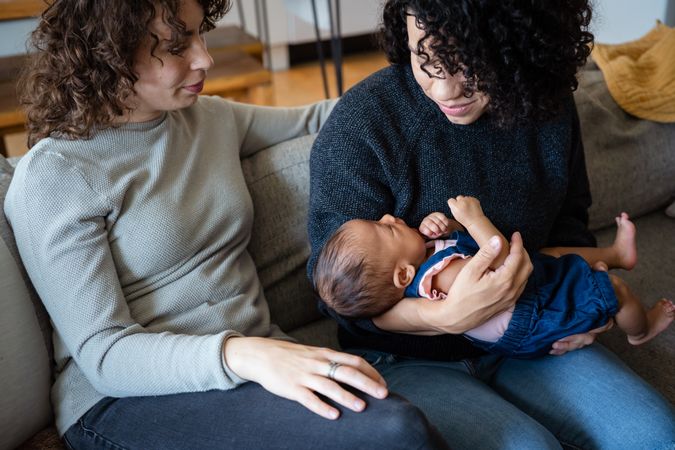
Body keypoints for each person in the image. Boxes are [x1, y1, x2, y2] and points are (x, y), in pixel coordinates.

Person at [3, 1, 448, 449]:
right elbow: (105, 353)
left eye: (200, 34)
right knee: (395, 432)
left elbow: (325, 118)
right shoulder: (56, 174)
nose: (204, 58)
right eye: (177, 46)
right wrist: (248, 355)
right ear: (108, 53)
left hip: (256, 363)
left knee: (400, 421)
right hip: (127, 399)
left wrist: (435, 76)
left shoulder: (207, 119)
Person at [307, 0, 675, 448]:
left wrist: (587, 310)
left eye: (468, 64)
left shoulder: (545, 105)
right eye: (424, 57)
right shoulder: (363, 127)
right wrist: (442, 316)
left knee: (655, 435)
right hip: (405, 357)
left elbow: (568, 222)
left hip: (534, 327)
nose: (443, 90)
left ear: (518, 47)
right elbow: (337, 295)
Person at [313, 195, 675, 357]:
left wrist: (446, 227)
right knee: (611, 291)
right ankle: (641, 329)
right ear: (404, 274)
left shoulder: (422, 264)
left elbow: (461, 249)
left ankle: (616, 254)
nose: (390, 218)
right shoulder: (442, 278)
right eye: (386, 230)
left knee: (551, 255)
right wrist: (473, 218)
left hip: (523, 293)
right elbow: (499, 259)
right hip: (532, 316)